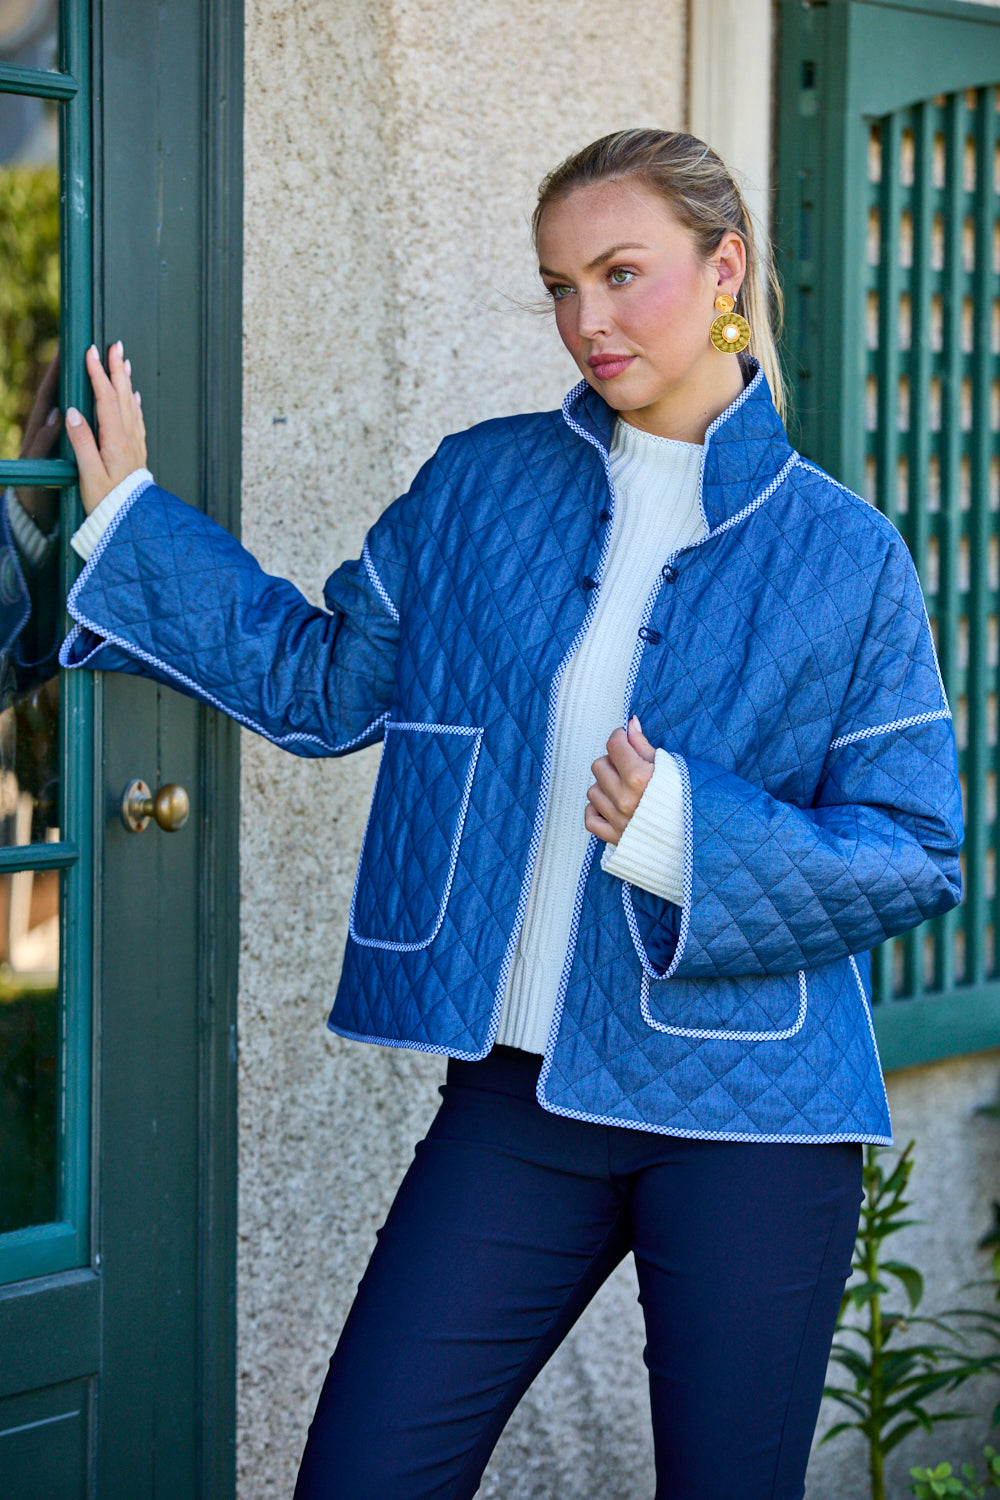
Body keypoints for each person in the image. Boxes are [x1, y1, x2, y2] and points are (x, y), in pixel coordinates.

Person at [60, 130, 962, 1500]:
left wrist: (681, 828)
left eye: (621, 274)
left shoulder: (843, 552)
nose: (587, 322)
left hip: (755, 1121)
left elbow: (917, 847)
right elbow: (321, 686)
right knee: (364, 1474)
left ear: (723, 268)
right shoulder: (481, 485)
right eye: (558, 286)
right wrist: (131, 522)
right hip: (519, 1097)